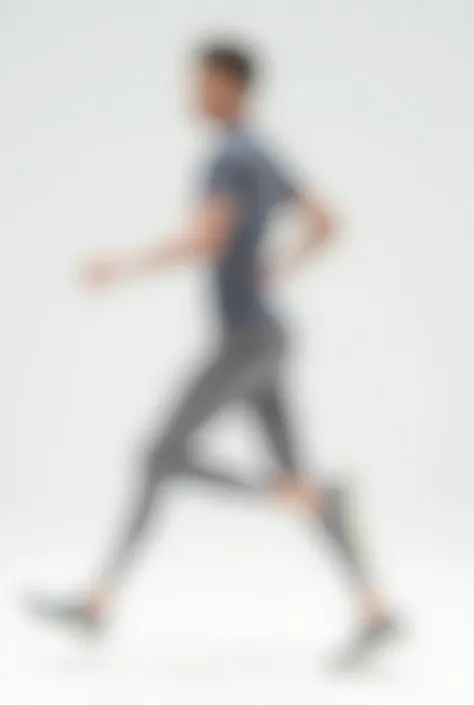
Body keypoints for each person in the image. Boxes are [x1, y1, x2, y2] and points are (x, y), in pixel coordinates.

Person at [25, 40, 399, 669]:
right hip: (267, 339)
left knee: (160, 456)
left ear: (230, 85)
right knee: (260, 469)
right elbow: (329, 222)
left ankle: (102, 599)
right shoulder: (264, 154)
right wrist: (280, 266)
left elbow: (207, 238)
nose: (191, 93)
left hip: (245, 341)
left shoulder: (229, 157)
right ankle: (374, 611)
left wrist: (122, 266)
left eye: (200, 82)